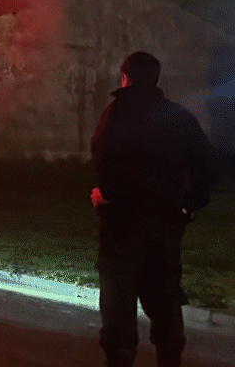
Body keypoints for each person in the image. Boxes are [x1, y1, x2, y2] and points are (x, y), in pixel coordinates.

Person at [91, 51, 221, 367]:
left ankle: (120, 356)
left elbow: (105, 156)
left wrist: (107, 194)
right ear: (156, 79)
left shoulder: (116, 113)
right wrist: (188, 205)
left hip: (122, 223)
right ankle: (170, 355)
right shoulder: (177, 116)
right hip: (165, 222)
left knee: (119, 296)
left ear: (125, 77)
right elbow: (208, 163)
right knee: (163, 293)